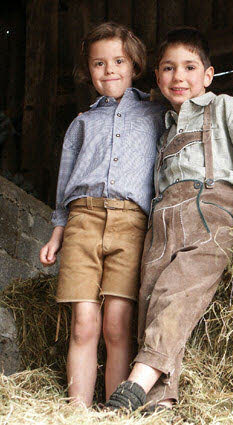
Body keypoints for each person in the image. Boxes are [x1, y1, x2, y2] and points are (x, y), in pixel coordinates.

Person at [104, 27, 233, 412]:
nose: (179, 77)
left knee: (179, 289)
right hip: (162, 222)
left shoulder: (225, 108)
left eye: (189, 67)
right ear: (157, 77)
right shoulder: (163, 131)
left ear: (207, 75)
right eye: (169, 68)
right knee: (151, 298)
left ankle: (134, 384)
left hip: (210, 211)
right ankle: (159, 407)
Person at [39, 22, 166, 407]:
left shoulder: (157, 115)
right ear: (88, 70)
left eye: (118, 61)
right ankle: (76, 412)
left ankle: (114, 410)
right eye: (99, 63)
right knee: (84, 324)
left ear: (135, 65)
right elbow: (64, 184)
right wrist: (57, 231)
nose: (109, 70)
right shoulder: (81, 123)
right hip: (82, 221)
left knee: (116, 325)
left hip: (131, 223)